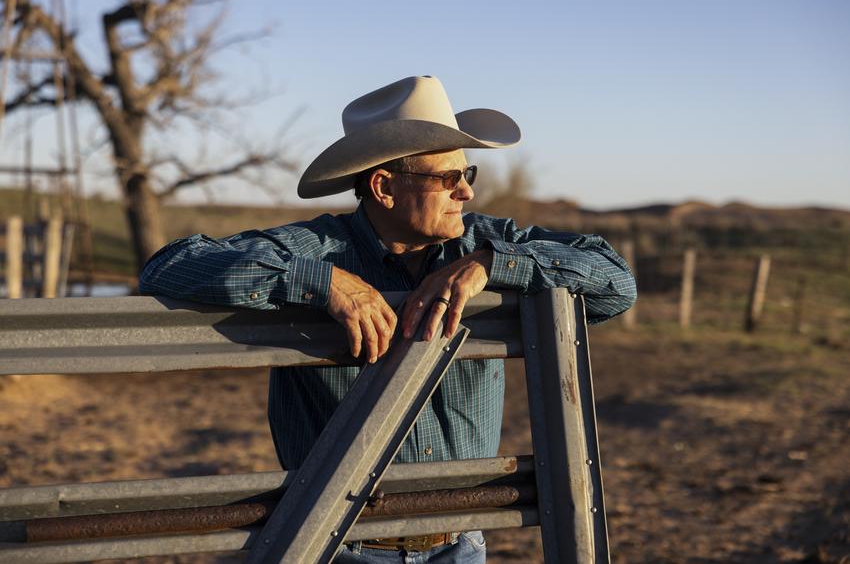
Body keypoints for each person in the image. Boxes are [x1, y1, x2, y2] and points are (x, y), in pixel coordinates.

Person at [139, 75, 636, 563]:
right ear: (384, 187)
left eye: (469, 175)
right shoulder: (317, 249)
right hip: (333, 545)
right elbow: (169, 265)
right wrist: (323, 283)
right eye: (448, 178)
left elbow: (617, 282)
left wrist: (492, 264)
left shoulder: (484, 242)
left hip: (461, 543)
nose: (465, 192)